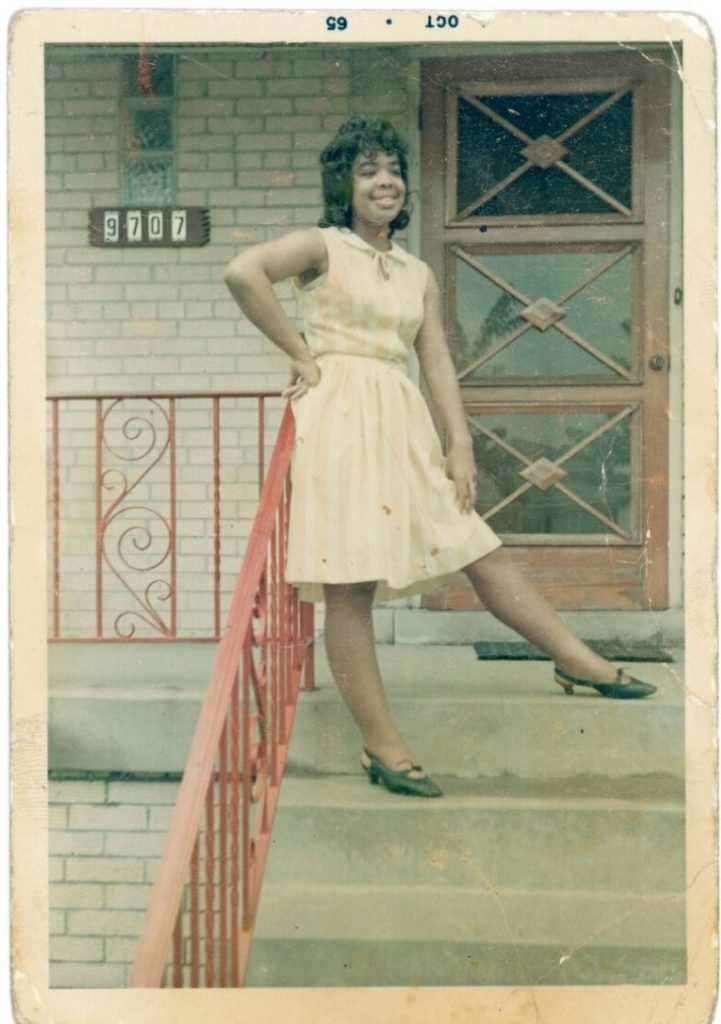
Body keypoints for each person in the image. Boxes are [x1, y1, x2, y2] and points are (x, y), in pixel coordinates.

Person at [223, 116, 655, 799]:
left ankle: (577, 661)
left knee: (476, 544)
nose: (384, 181)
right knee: (350, 581)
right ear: (345, 184)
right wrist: (301, 354)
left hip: (400, 417)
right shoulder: (320, 245)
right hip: (338, 417)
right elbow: (243, 272)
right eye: (367, 171)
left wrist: (459, 443)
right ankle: (382, 742)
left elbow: (437, 361)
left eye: (392, 169)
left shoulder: (416, 271)